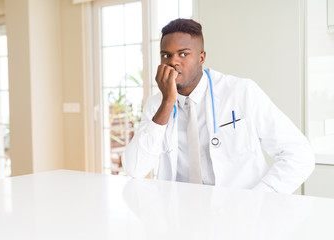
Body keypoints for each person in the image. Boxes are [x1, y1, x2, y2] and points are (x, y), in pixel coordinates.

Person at [122, 18, 315, 194]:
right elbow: (135, 168)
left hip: (242, 218)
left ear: (202, 57)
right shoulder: (157, 104)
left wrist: (258, 200)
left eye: (183, 54)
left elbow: (300, 155)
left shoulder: (241, 92)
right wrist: (167, 102)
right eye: (166, 56)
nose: (173, 62)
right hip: (181, 216)